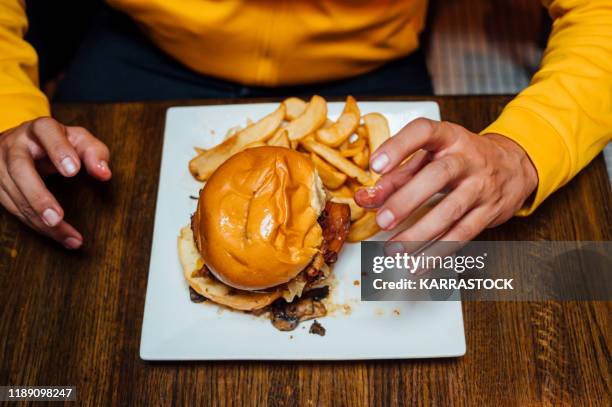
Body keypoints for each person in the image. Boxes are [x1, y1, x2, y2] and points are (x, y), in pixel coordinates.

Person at [0, 0, 610, 249]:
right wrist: (8, 107)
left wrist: (525, 146)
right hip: (139, 50)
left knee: (452, 278)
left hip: (371, 69)